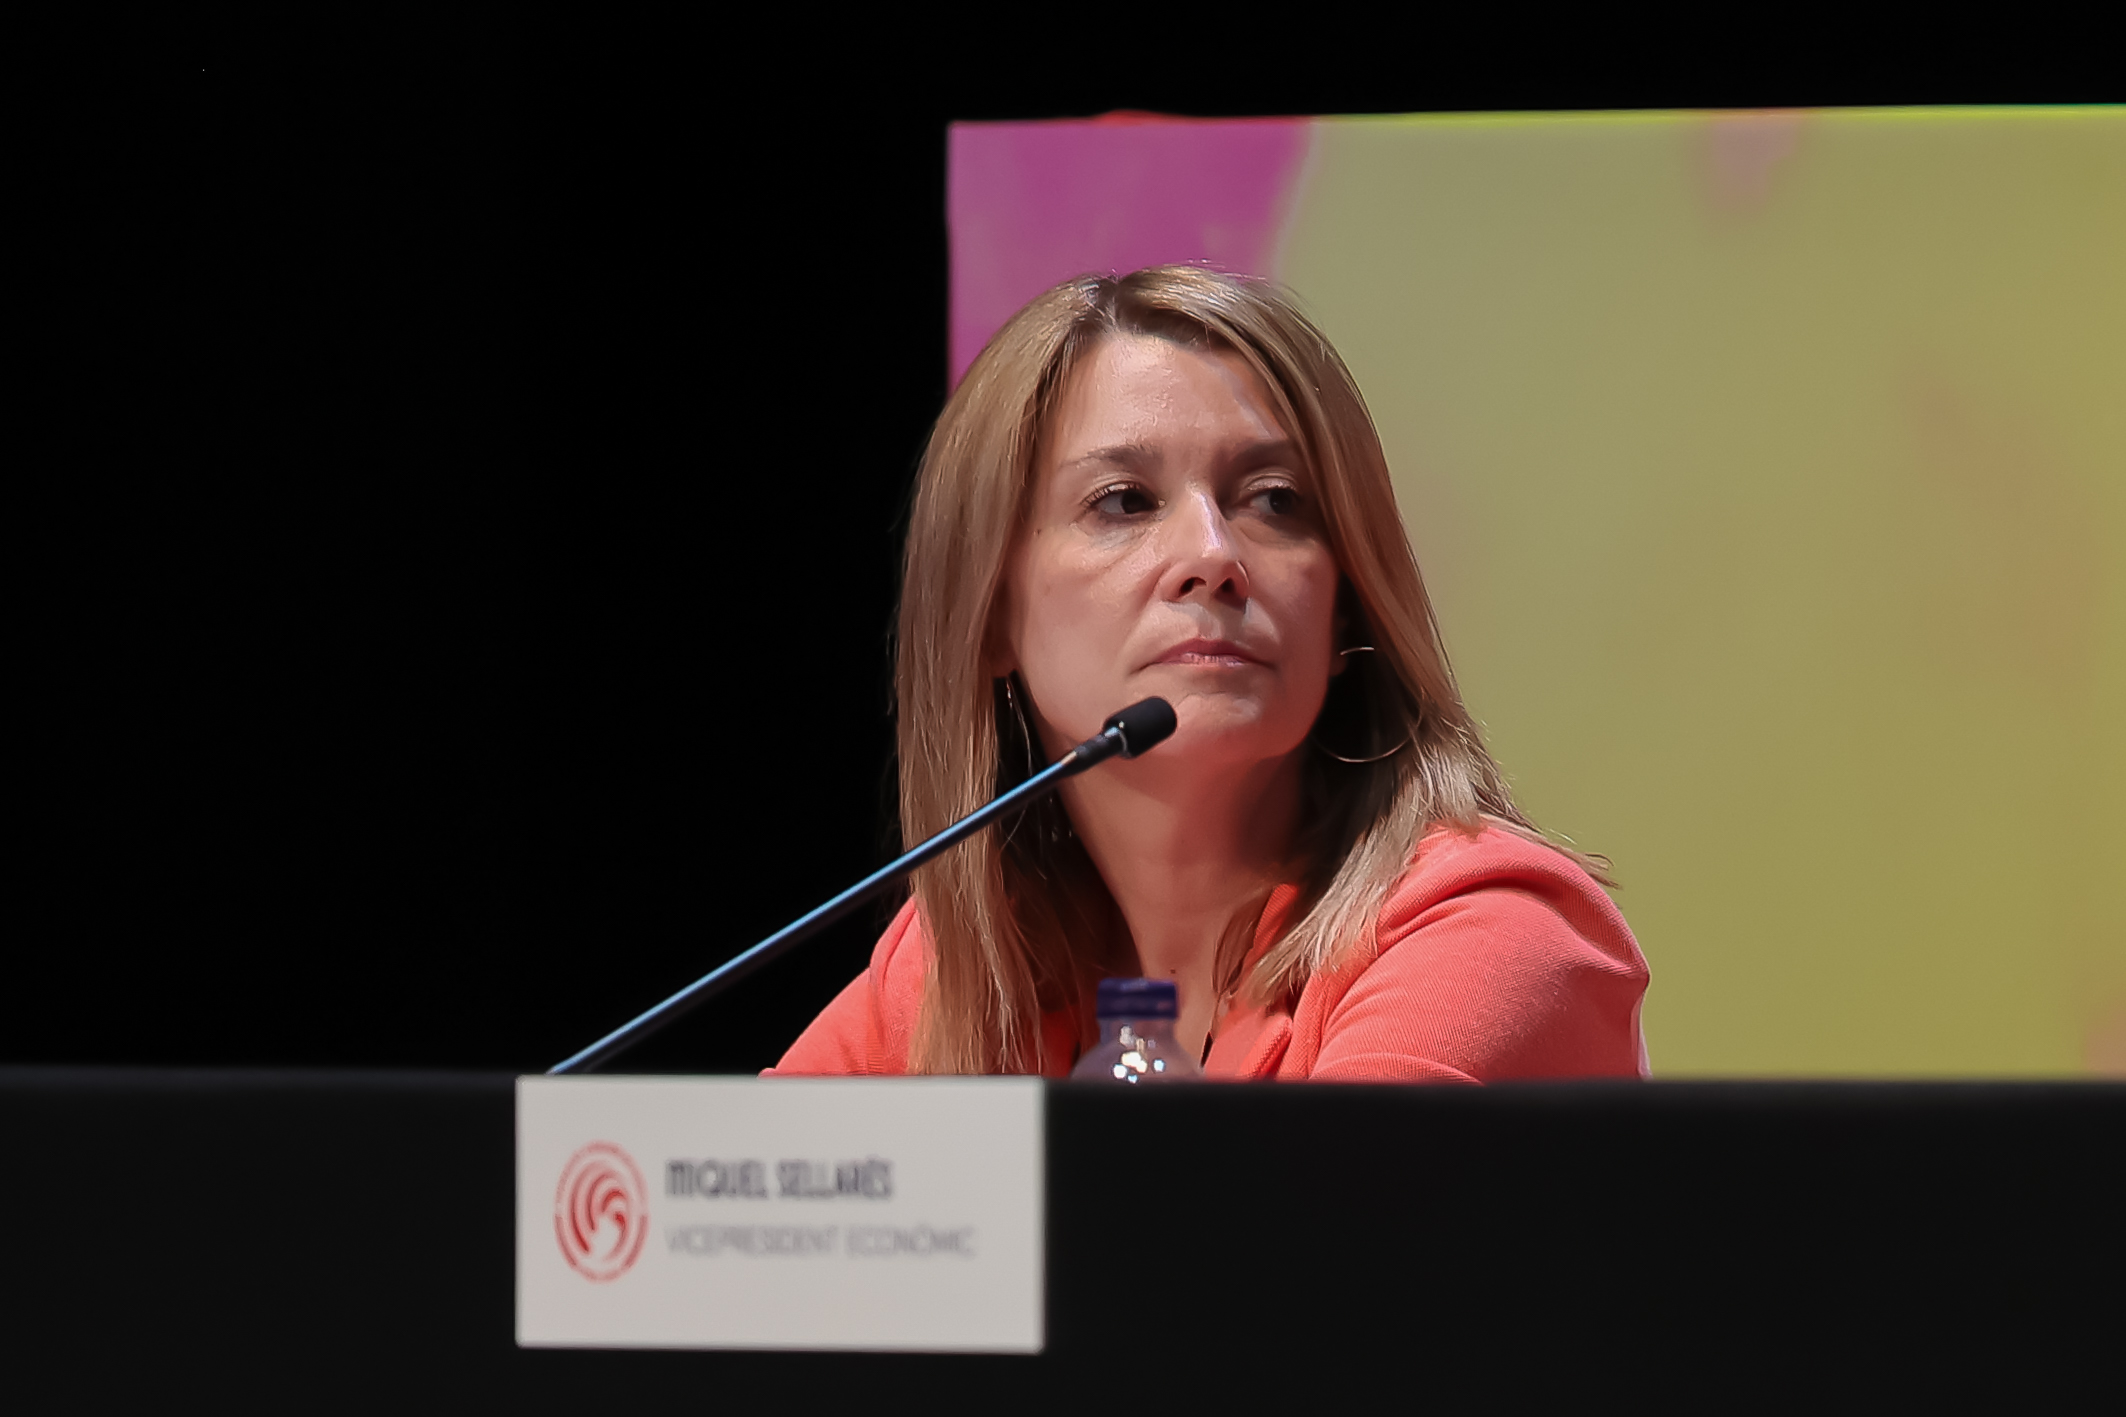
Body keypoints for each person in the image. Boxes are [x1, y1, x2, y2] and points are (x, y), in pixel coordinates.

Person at [773, 266, 1648, 1081]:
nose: (1213, 555)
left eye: (1274, 500)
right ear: (990, 612)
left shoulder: (1486, 932)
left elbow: (1302, 1204)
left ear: (1344, 605)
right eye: (1124, 501)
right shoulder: (966, 965)